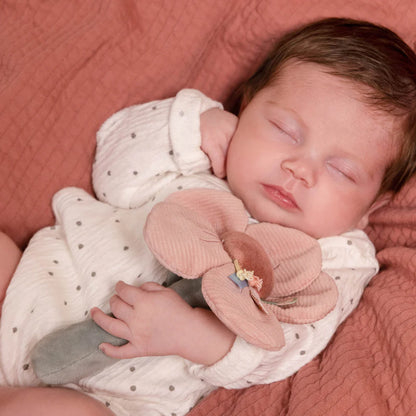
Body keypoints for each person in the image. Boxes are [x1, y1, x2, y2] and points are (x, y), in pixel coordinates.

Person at [1, 17, 416, 416]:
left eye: (341, 171)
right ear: (247, 106)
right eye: (285, 130)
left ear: (371, 209)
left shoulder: (333, 260)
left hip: (110, 396)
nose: (299, 169)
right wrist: (191, 124)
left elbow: (286, 346)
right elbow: (111, 174)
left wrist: (191, 334)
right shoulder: (202, 156)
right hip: (32, 286)